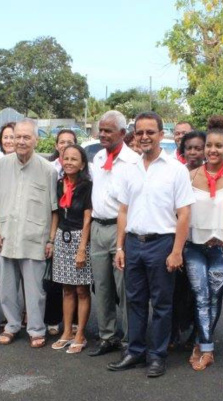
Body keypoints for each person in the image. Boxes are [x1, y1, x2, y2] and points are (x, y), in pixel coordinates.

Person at [108, 111, 195, 378]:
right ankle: (135, 352)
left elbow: (184, 214)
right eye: (140, 132)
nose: (144, 137)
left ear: (161, 135)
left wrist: (177, 251)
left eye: (150, 132)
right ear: (134, 135)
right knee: (134, 301)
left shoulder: (176, 170)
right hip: (133, 244)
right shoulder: (128, 169)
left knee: (161, 304)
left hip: (162, 244)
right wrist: (120, 247)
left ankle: (157, 356)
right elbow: (123, 211)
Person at [0, 119, 58, 348]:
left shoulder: (48, 169)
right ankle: (11, 326)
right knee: (6, 288)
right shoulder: (2, 165)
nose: (21, 141)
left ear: (36, 140)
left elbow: (55, 209)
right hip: (7, 235)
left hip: (34, 237)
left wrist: (50, 240)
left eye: (27, 137)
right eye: (17, 136)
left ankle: (36, 330)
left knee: (35, 291)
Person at [183, 116, 223, 371]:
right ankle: (206, 348)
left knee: (214, 299)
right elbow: (182, 215)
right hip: (194, 246)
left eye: (219, 146)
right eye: (209, 145)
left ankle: (201, 341)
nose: (212, 150)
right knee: (200, 296)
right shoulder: (189, 175)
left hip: (222, 248)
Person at [88, 110, 139, 357]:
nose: (103, 134)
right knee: (102, 287)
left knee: (124, 289)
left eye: (108, 130)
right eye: (101, 129)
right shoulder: (98, 157)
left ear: (122, 133)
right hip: (98, 228)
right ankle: (107, 336)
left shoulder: (133, 162)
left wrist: (121, 242)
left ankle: (130, 341)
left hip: (121, 231)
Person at [48, 144, 94, 354]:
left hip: (79, 239)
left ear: (82, 163)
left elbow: (87, 219)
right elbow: (56, 214)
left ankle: (80, 334)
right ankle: (66, 332)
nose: (69, 162)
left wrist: (82, 248)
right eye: (66, 158)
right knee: (66, 289)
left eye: (74, 159)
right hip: (61, 238)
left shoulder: (87, 186)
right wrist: (51, 240)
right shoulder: (59, 184)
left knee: (82, 289)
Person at [169, 129, 206, 350]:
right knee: (174, 290)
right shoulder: (177, 173)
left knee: (197, 291)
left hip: (201, 241)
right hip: (176, 240)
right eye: (189, 148)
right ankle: (173, 331)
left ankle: (198, 334)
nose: (193, 152)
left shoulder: (210, 176)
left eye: (198, 148)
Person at [45, 128, 79, 335]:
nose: (65, 145)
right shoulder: (49, 169)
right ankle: (53, 319)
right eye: (62, 142)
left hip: (75, 230)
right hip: (53, 226)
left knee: (76, 280)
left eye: (70, 141)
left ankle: (74, 322)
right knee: (54, 278)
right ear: (57, 145)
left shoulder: (84, 171)